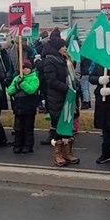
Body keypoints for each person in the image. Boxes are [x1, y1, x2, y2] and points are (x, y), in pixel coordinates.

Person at [43, 36, 80, 166]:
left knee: (68, 125)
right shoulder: (50, 61)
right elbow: (51, 81)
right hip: (57, 99)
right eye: (63, 46)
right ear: (57, 48)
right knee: (59, 126)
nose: (65, 48)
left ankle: (67, 152)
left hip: (68, 99)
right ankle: (58, 153)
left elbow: (71, 76)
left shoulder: (65, 60)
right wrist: (67, 89)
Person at [7, 59, 40, 154]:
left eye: (26, 68)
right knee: (18, 128)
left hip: (29, 106)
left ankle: (28, 145)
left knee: (28, 127)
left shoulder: (34, 78)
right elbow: (9, 91)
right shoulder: (17, 78)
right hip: (18, 106)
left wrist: (22, 83)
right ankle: (17, 145)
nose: (24, 70)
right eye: (22, 68)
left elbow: (31, 90)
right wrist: (15, 86)